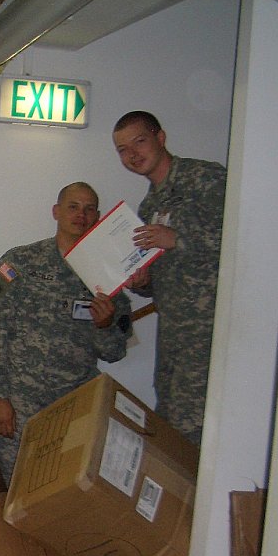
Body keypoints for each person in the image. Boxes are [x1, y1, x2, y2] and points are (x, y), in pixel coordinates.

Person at [0, 182, 132, 482]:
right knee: (1, 490)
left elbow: (114, 352)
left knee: (59, 495)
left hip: (75, 406)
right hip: (20, 405)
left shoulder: (107, 276)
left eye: (89, 209)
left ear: (97, 217)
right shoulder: (20, 262)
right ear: (56, 211)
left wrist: (104, 326)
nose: (80, 214)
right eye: (73, 206)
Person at [112, 110, 226, 445]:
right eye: (122, 150)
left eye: (139, 142)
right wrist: (143, 281)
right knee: (174, 428)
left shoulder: (206, 178)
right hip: (175, 338)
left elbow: (245, 240)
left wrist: (177, 239)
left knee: (200, 434)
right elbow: (166, 275)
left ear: (160, 138)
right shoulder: (149, 207)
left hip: (211, 334)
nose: (132, 154)